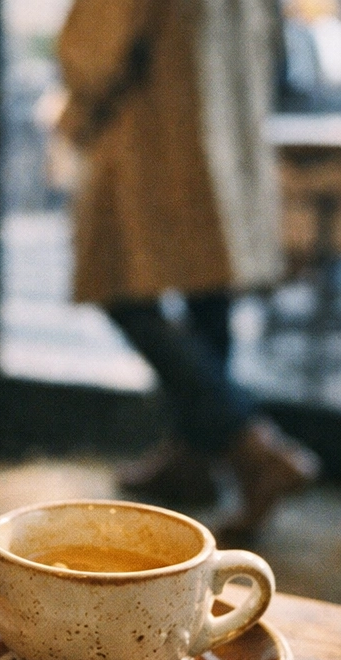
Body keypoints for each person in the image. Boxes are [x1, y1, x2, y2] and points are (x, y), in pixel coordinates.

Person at [57, 0, 321, 541]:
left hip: (154, 128)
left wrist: (77, 113)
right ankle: (193, 456)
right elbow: (274, 45)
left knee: (119, 288)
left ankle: (253, 447)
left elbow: (96, 46)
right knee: (209, 292)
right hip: (228, 127)